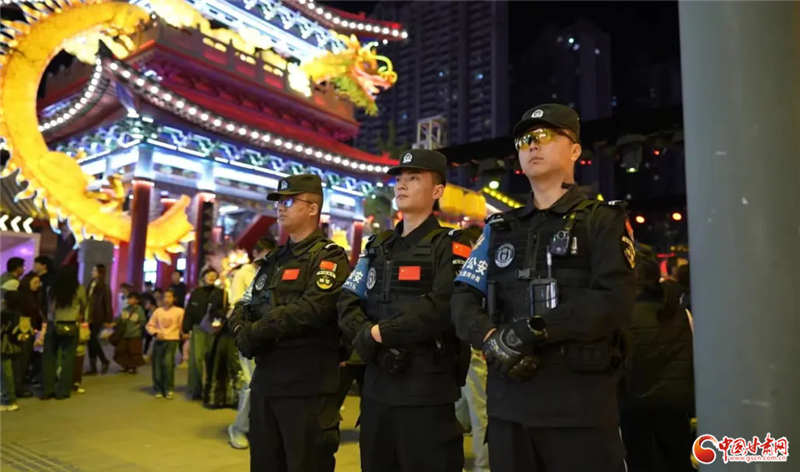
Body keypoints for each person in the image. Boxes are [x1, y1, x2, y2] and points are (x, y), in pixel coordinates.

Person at [452, 103, 637, 472]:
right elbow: (462, 298)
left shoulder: (602, 221)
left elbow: (613, 299)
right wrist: (490, 337)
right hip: (508, 412)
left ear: (575, 149)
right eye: (524, 140)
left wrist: (530, 331)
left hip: (579, 412)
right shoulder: (499, 228)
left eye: (545, 136)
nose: (532, 145)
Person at [338, 150, 471, 472]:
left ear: (437, 190)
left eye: (413, 178)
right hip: (376, 388)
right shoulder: (376, 246)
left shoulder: (451, 243)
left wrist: (379, 334)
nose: (401, 185)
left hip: (426, 391)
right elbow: (346, 300)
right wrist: (366, 336)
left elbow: (443, 304)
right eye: (399, 179)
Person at [229, 174, 350, 472]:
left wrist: (258, 331)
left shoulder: (328, 258)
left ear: (312, 208)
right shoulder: (273, 261)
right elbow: (244, 304)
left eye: (289, 201)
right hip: (267, 384)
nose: (281, 207)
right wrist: (240, 329)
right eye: (279, 202)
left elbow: (312, 308)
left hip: (306, 388)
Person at [620, 245, 695, 472]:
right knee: (680, 463)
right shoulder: (679, 310)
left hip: (633, 407)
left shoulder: (621, 317)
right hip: (675, 405)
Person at [228, 236, 277, 449]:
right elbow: (237, 303)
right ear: (255, 253)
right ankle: (239, 428)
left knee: (265, 384)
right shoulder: (244, 273)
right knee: (250, 385)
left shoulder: (274, 271)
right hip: (249, 335)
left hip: (269, 335)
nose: (268, 258)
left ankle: (257, 427)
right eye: (265, 254)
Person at [452, 225, 490, 472]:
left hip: (458, 347)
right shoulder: (475, 261)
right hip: (473, 349)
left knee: (461, 412)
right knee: (481, 413)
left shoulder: (455, 262)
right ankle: (483, 468)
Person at [42, 265, 86, 400]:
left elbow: (48, 307)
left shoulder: (51, 289)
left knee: (50, 357)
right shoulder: (79, 289)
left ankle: (48, 389)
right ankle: (63, 390)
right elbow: (83, 305)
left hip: (54, 324)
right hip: (71, 325)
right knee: (68, 358)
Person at [183, 268, 225, 400]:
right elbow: (189, 311)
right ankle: (195, 389)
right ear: (203, 277)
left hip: (214, 329)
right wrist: (186, 329)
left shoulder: (221, 293)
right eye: (208, 275)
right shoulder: (196, 292)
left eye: (214, 275)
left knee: (211, 359)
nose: (211, 277)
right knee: (196, 359)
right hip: (198, 328)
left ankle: (210, 388)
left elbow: (224, 310)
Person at [146, 289, 185, 399]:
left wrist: (184, 335)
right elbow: (150, 325)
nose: (167, 299)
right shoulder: (158, 311)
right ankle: (158, 388)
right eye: (165, 297)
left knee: (168, 364)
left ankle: (169, 388)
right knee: (157, 365)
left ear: (174, 299)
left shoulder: (180, 311)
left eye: (169, 297)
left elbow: (181, 326)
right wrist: (155, 333)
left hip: (172, 339)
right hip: (159, 340)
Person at [14, 272, 40, 399]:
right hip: (24, 332)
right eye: (35, 282)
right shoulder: (24, 299)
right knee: (21, 360)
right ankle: (18, 387)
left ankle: (19, 385)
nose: (37, 285)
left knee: (23, 360)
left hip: (27, 331)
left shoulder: (31, 296)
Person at [85, 264, 113, 375]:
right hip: (88, 316)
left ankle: (103, 360)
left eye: (94, 270)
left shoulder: (104, 287)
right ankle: (94, 367)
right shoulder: (91, 284)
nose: (92, 272)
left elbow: (107, 304)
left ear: (100, 273)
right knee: (90, 341)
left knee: (92, 339)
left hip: (98, 316)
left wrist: (108, 319)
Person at [114, 292, 145, 374]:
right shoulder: (126, 309)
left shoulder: (139, 310)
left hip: (134, 334)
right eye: (129, 298)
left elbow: (142, 321)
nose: (130, 300)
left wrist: (136, 328)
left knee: (133, 351)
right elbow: (120, 319)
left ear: (137, 300)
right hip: (124, 333)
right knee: (123, 350)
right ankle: (125, 365)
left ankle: (132, 367)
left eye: (132, 298)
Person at [1, 291, 23, 411]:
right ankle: (11, 397)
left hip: (4, 345)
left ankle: (7, 399)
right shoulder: (19, 313)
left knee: (5, 373)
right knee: (12, 371)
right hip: (15, 345)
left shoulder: (5, 314)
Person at [140, 293, 158, 361]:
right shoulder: (149, 312)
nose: (145, 305)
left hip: (156, 331)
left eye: (147, 303)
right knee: (147, 340)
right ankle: (146, 354)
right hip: (150, 330)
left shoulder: (157, 312)